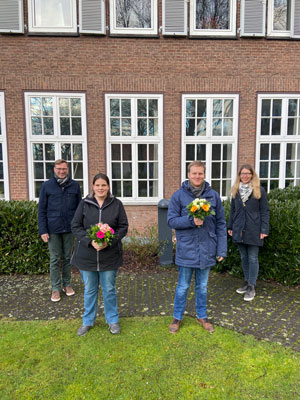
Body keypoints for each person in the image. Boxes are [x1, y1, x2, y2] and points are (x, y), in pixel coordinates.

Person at [167, 161, 227, 334]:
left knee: (202, 286)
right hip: (186, 248)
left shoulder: (213, 196)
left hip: (207, 248)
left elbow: (221, 223)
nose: (197, 176)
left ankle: (202, 315)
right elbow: (171, 220)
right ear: (188, 174)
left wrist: (221, 249)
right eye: (194, 173)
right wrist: (191, 221)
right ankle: (177, 317)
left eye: (200, 173)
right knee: (183, 286)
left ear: (204, 174)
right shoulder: (178, 196)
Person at [71, 173, 128, 336]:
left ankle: (113, 320)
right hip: (87, 256)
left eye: (104, 185)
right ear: (93, 186)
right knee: (90, 289)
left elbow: (123, 227)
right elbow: (75, 226)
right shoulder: (84, 204)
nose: (101, 188)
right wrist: (90, 241)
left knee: (109, 289)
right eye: (98, 185)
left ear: (108, 187)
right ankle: (88, 321)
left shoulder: (116, 204)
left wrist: (108, 241)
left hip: (109, 256)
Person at [38, 159, 82, 302]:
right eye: (59, 169)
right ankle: (55, 288)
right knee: (55, 259)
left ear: (67, 169)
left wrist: (79, 227)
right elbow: (42, 210)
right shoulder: (47, 186)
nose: (61, 171)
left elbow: (79, 209)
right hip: (53, 229)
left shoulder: (75, 186)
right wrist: (43, 230)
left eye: (64, 169)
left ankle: (67, 285)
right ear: (54, 169)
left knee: (68, 258)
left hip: (69, 228)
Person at [227, 164, 270, 302]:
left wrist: (264, 229)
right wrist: (230, 226)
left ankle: (252, 285)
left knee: (252, 258)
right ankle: (246, 281)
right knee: (244, 257)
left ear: (252, 175)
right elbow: (233, 211)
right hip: (239, 229)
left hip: (254, 229)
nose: (245, 176)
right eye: (242, 174)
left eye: (247, 173)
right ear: (239, 175)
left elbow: (265, 211)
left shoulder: (259, 191)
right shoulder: (236, 191)